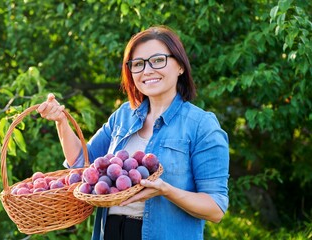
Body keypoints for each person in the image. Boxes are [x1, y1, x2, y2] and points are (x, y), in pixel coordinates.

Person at [37, 25, 229, 240]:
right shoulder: (123, 116)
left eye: (158, 60)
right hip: (109, 232)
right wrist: (61, 122)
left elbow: (215, 208)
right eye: (138, 64)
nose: (147, 71)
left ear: (180, 66)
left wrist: (166, 190)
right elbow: (83, 163)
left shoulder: (201, 125)